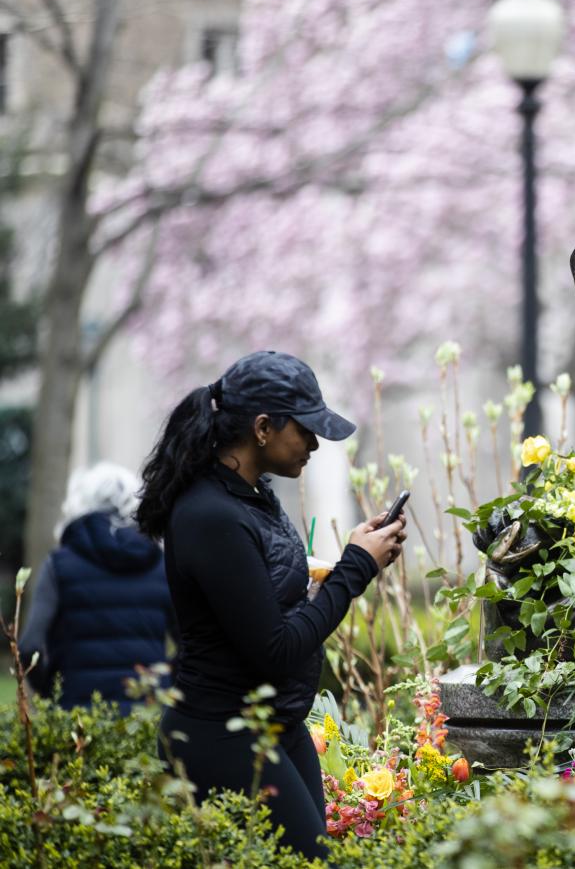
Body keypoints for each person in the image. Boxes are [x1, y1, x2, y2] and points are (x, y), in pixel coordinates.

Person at [135, 350, 405, 861]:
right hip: (223, 733)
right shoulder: (211, 515)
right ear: (262, 428)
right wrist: (354, 569)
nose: (315, 444)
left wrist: (343, 565)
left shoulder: (250, 495)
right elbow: (274, 650)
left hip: (278, 724)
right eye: (305, 430)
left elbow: (264, 601)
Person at [18, 462, 173, 713]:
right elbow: (190, 642)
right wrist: (167, 686)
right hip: (147, 716)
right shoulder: (160, 563)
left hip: (79, 717)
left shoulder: (59, 565)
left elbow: (29, 647)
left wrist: (51, 693)